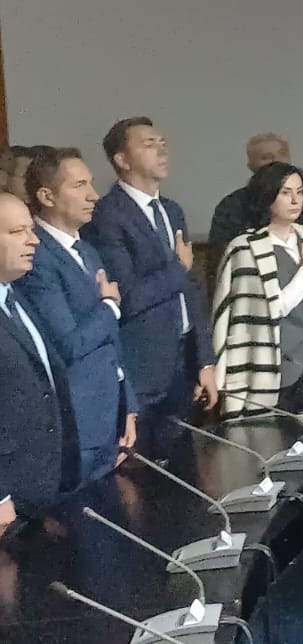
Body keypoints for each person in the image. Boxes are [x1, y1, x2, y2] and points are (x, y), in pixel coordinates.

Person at [83, 117, 215, 459]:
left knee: (185, 467)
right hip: (142, 367)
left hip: (183, 362)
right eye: (149, 144)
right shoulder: (107, 215)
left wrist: (205, 360)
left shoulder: (171, 210)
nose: (161, 150)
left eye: (162, 143)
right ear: (122, 160)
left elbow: (191, 289)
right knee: (143, 472)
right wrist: (178, 267)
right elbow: (128, 297)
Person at [15, 147, 137, 484]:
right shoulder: (37, 257)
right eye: (79, 185)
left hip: (109, 413)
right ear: (47, 196)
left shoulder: (87, 250)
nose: (93, 195)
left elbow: (111, 341)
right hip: (77, 422)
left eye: (91, 184)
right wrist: (109, 306)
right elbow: (68, 344)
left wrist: (128, 403)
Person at [210, 162, 303, 419]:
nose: (295, 200)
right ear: (267, 197)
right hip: (272, 371)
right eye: (285, 193)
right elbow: (270, 310)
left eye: (299, 192)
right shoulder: (246, 248)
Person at [0, 192, 77, 532]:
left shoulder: (15, 296)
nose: (33, 240)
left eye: (31, 229)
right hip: (8, 505)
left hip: (41, 493)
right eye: (17, 232)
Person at [209, 133, 303, 248]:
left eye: (282, 154)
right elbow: (220, 253)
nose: (276, 161)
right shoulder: (232, 205)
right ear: (251, 166)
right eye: (266, 157)